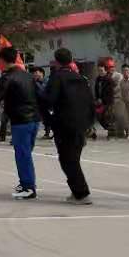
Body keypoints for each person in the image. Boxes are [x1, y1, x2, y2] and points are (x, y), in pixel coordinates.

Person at [0, 47, 41, 199]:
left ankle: (28, 187)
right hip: (34, 120)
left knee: (23, 155)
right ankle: (25, 183)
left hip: (21, 121)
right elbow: (40, 96)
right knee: (26, 153)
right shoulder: (28, 76)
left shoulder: (7, 77)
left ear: (2, 61)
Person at [40, 49, 95, 203]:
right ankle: (76, 191)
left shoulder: (56, 77)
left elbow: (49, 100)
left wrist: (48, 118)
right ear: (71, 60)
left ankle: (82, 194)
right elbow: (90, 102)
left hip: (64, 124)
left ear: (56, 62)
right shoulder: (81, 78)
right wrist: (90, 123)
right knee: (73, 158)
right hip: (81, 124)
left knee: (67, 159)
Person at [93, 59, 118, 139]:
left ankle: (112, 131)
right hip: (100, 101)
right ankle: (110, 129)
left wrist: (103, 100)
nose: (100, 72)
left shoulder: (109, 79)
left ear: (105, 70)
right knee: (99, 116)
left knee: (106, 116)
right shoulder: (98, 79)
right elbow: (96, 90)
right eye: (99, 70)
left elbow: (110, 93)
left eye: (101, 70)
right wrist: (97, 98)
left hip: (107, 102)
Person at [31, 66, 53, 139]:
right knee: (43, 118)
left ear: (41, 73)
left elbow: (43, 90)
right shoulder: (34, 82)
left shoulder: (47, 81)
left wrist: (36, 83)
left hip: (48, 103)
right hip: (39, 103)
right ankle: (47, 133)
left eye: (36, 72)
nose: (34, 74)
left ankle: (50, 132)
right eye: (33, 73)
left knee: (49, 118)